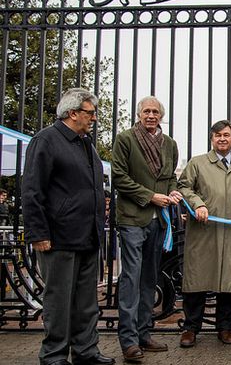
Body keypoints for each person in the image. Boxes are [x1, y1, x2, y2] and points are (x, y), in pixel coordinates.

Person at [22, 88, 115, 365]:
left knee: (86, 302)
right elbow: (32, 191)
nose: (94, 118)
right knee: (59, 300)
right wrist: (37, 233)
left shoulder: (85, 143)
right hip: (58, 238)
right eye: (90, 113)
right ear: (73, 113)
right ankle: (54, 354)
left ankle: (86, 351)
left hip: (87, 236)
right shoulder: (46, 141)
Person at [112, 96, 182, 362]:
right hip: (133, 218)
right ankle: (128, 341)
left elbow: (171, 176)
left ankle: (143, 333)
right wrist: (151, 196)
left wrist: (173, 191)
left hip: (158, 221)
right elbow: (119, 177)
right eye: (146, 111)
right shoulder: (126, 139)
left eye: (155, 111)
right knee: (131, 278)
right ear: (139, 114)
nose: (151, 115)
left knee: (149, 278)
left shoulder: (170, 144)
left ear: (161, 115)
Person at [177, 120, 231, 347]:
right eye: (217, 135)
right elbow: (184, 187)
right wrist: (198, 204)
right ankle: (190, 329)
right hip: (204, 231)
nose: (222, 139)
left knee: (228, 282)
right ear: (212, 139)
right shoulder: (197, 163)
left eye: (226, 135)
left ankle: (226, 328)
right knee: (197, 281)